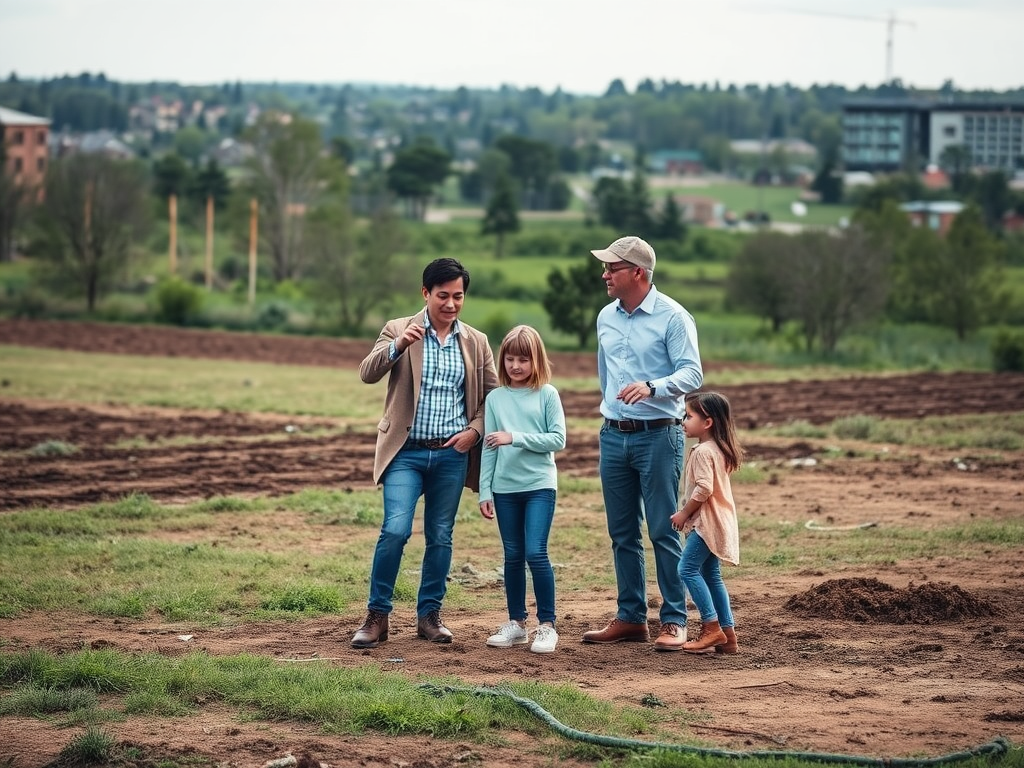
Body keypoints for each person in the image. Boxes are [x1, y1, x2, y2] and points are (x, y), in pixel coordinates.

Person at [351, 258, 498, 649]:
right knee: (395, 530)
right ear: (426, 293)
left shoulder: (477, 341)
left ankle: (429, 616)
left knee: (440, 536)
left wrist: (474, 432)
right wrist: (398, 346)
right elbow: (367, 372)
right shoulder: (398, 329)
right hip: (405, 452)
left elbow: (491, 398)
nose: (451, 304)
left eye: (458, 296)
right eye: (443, 296)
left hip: (450, 454)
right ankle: (377, 616)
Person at [583, 235, 703, 651]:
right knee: (621, 532)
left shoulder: (673, 317)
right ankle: (631, 618)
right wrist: (612, 413)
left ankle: (674, 619)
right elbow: (606, 375)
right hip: (614, 435)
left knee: (662, 529)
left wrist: (652, 388)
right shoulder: (606, 317)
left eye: (612, 268)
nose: (605, 275)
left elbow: (693, 374)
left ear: (637, 272)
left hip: (659, 437)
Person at [478, 325, 566, 654]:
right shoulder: (496, 398)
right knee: (513, 556)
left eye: (524, 360)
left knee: (535, 553)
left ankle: (547, 625)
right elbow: (488, 448)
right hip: (504, 490)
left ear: (536, 360)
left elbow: (557, 440)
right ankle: (517, 624)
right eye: (510, 359)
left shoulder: (547, 394)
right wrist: (485, 491)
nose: (516, 366)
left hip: (539, 486)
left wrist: (514, 437)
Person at [670, 391, 741, 654]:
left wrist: (683, 514)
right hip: (720, 521)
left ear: (707, 422)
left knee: (686, 570)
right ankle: (728, 636)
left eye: (688, 416)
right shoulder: (720, 449)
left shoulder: (702, 451)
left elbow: (703, 490)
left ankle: (711, 628)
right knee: (711, 575)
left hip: (705, 523)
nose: (683, 421)